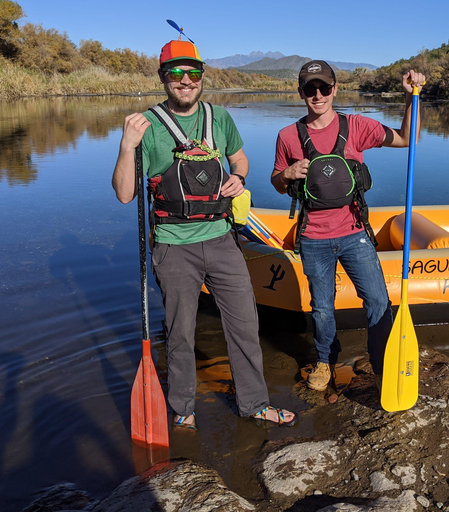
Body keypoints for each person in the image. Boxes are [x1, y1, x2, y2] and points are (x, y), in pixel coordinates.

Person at [112, 38, 295, 429]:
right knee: (180, 334)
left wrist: (239, 178)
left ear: (201, 77)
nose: (186, 80)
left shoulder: (220, 118)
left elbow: (240, 158)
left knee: (245, 324)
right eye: (176, 73)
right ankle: (183, 410)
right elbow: (126, 194)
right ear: (163, 77)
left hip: (222, 240)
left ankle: (255, 403)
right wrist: (127, 147)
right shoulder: (146, 126)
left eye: (193, 72)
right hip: (174, 246)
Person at [271, 60, 426, 391]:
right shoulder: (287, 136)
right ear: (301, 93)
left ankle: (382, 361)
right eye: (310, 89)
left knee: (378, 300)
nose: (318, 95)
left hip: (355, 233)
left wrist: (413, 97)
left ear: (335, 89)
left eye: (324, 88)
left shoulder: (355, 125)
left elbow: (405, 139)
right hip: (312, 238)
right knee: (323, 310)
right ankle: (325, 362)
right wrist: (286, 175)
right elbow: (276, 183)